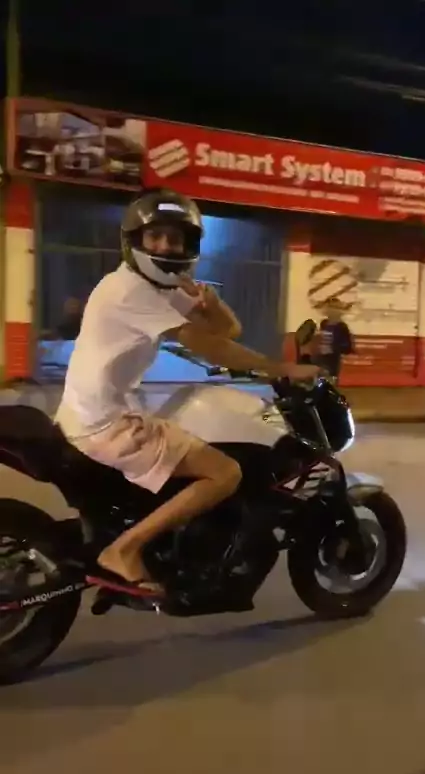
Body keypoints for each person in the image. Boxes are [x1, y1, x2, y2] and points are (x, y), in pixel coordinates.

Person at [55, 188, 319, 599]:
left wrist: (211, 301)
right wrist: (282, 368)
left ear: (189, 245)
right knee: (225, 473)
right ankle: (124, 550)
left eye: (175, 238)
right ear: (135, 240)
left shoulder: (157, 287)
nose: (165, 246)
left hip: (93, 411)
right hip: (105, 423)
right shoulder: (129, 290)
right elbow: (208, 345)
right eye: (155, 236)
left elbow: (227, 331)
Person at [315, 297, 354, 383]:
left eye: (334, 308)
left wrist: (333, 348)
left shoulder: (342, 327)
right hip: (319, 360)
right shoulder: (324, 323)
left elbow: (348, 347)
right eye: (329, 307)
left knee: (329, 383)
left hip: (331, 361)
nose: (331, 310)